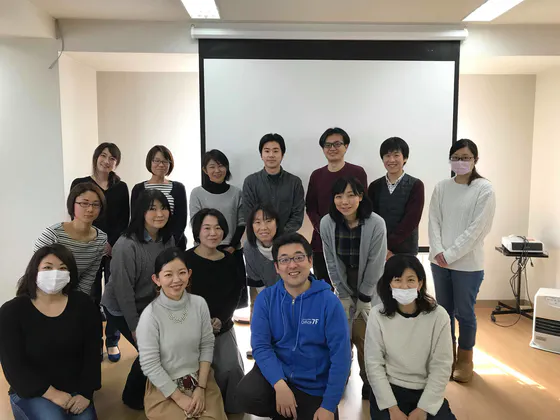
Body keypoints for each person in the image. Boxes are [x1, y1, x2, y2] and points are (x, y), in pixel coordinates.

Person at [236, 233, 351, 420]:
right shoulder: (266, 299)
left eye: (298, 257)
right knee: (247, 394)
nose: (292, 265)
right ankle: (284, 405)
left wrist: (329, 406)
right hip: (279, 376)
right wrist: (279, 384)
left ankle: (290, 410)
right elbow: (261, 346)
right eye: (284, 260)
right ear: (276, 267)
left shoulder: (329, 302)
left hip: (313, 386)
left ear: (310, 260)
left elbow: (341, 357)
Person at [0, 244, 101, 419]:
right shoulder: (12, 311)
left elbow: (92, 352)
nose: (55, 274)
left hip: (75, 387)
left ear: (70, 274)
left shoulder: (83, 305)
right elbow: (13, 366)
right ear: (34, 271)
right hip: (32, 390)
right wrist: (53, 394)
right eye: (47, 267)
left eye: (62, 268)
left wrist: (86, 393)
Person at [101, 189, 176, 410]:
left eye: (163, 208)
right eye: (152, 209)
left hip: (149, 305)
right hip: (120, 307)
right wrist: (135, 327)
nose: (159, 214)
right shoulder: (126, 245)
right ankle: (132, 397)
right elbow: (123, 291)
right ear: (140, 212)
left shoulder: (168, 239)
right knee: (150, 350)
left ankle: (153, 387)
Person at [429, 139, 495, 384]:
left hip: (468, 265)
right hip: (439, 262)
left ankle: (465, 359)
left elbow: (478, 229)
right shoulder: (441, 187)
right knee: (443, 312)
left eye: (466, 157)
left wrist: (450, 254)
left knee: (464, 313)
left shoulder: (484, 189)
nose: (460, 162)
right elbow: (433, 221)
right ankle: (447, 357)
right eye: (456, 157)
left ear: (475, 160)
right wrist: (438, 252)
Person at [136, 247, 227, 420]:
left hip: (201, 380)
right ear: (156, 279)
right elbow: (149, 364)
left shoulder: (199, 304)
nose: (176, 280)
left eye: (182, 273)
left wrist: (201, 388)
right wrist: (179, 398)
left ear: (189, 274)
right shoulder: (150, 315)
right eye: (168, 275)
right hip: (165, 388)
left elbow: (207, 345)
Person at [365, 255, 456, 420]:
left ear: (420, 284)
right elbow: (373, 364)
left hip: (425, 390)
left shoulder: (439, 316)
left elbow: (441, 366)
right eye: (397, 280)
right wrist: (392, 409)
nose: (404, 286)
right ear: (389, 284)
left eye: (411, 280)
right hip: (389, 390)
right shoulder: (376, 315)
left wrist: (423, 408)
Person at [320, 176, 387, 400]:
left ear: (360, 197)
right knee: (341, 336)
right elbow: (330, 261)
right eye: (339, 196)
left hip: (370, 282)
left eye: (350, 195)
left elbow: (376, 263)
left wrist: (365, 297)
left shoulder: (376, 223)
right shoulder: (327, 223)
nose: (344, 201)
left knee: (365, 335)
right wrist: (341, 292)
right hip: (342, 282)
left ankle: (370, 381)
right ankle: (340, 377)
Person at [71, 142, 129, 363]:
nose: (107, 161)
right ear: (96, 157)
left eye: (112, 158)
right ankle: (95, 342)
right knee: (91, 297)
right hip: (88, 246)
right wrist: (96, 241)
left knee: (113, 296)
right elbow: (76, 214)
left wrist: (111, 244)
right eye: (103, 155)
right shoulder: (80, 184)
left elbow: (123, 220)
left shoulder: (120, 187)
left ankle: (112, 341)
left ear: (116, 163)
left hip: (113, 249)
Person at [185, 209, 245, 414]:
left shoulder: (230, 260)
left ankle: (230, 409)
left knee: (231, 368)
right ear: (197, 231)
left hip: (222, 325)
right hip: (191, 328)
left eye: (218, 228)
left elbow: (236, 294)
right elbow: (179, 296)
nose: (213, 233)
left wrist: (221, 319)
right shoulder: (185, 259)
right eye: (207, 228)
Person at [306, 127, 367, 287]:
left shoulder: (357, 172)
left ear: (346, 146)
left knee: (352, 289)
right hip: (322, 241)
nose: (332, 148)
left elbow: (364, 204)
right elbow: (311, 207)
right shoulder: (316, 175)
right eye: (328, 145)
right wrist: (323, 229)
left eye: (337, 144)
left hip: (351, 241)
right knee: (323, 289)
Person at [189, 149, 247, 309]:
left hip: (231, 251)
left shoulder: (236, 192)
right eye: (212, 166)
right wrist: (206, 247)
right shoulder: (197, 193)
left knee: (233, 299)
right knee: (206, 297)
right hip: (204, 252)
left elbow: (241, 222)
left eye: (221, 166)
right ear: (204, 170)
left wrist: (232, 247)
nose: (217, 170)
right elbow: (195, 223)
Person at [34, 182, 108, 296]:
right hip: (43, 294)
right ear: (72, 204)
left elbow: (88, 278)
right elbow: (36, 272)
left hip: (73, 296)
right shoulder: (53, 234)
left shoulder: (101, 238)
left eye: (96, 204)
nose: (90, 209)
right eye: (84, 203)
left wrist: (76, 302)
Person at [368, 137, 424, 257]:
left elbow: (411, 220)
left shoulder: (416, 185)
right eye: (387, 156)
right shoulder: (374, 186)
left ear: (405, 158)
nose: (391, 160)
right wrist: (381, 246)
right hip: (379, 249)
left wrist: (387, 245)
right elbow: (371, 218)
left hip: (406, 250)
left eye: (396, 155)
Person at [242, 133, 305, 235]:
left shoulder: (294, 182)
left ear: (282, 155)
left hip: (286, 239)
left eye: (275, 151)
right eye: (267, 151)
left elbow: (297, 216)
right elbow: (249, 215)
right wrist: (266, 234)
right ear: (261, 155)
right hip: (260, 237)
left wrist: (280, 235)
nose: (271, 155)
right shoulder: (250, 182)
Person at [243, 203, 282, 359]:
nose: (263, 227)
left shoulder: (287, 244)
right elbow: (255, 279)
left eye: (268, 221)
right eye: (257, 222)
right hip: (261, 289)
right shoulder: (249, 247)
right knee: (259, 314)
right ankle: (260, 350)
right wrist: (268, 302)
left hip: (288, 291)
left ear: (277, 223)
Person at [131, 145, 187, 250]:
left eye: (165, 161)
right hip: (145, 244)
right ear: (150, 162)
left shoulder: (178, 188)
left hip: (173, 244)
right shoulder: (139, 188)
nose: (161, 165)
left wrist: (170, 242)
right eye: (156, 161)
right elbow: (136, 218)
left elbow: (181, 220)